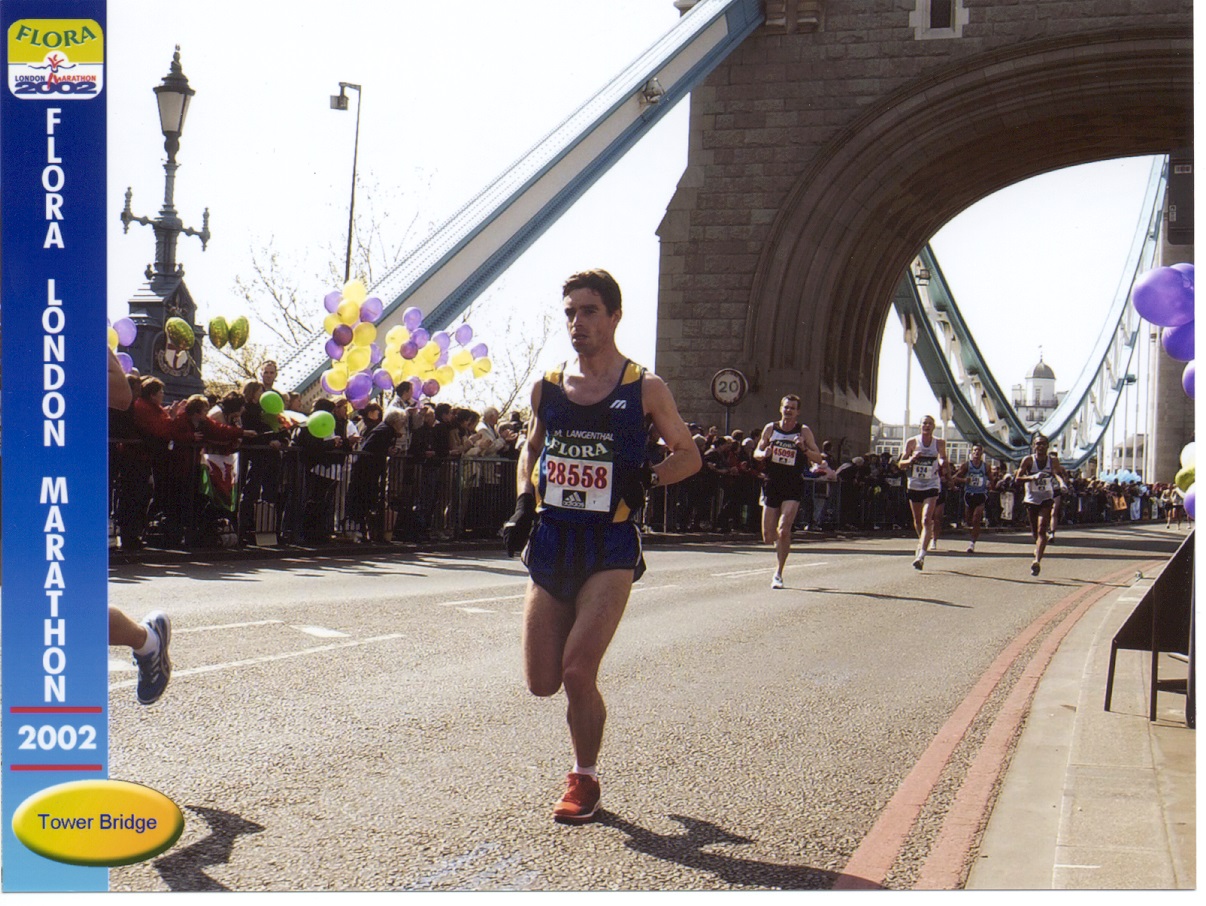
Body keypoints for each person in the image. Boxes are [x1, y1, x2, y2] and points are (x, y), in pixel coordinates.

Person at [501, 268, 700, 825]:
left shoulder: (644, 387)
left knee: (577, 670)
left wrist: (651, 478)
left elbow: (690, 455)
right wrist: (523, 502)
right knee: (542, 682)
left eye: (589, 311)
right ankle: (583, 754)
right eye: (569, 313)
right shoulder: (547, 386)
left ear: (614, 316)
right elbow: (530, 449)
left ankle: (583, 778)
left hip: (609, 544)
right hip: (552, 540)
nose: (577, 323)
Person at [106, 347, 171, 704]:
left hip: (42, 483)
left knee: (56, 611)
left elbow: (119, 394)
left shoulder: (57, 315)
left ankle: (146, 639)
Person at [753, 394, 824, 588]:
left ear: (798, 412)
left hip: (793, 484)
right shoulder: (771, 428)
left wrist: (803, 449)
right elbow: (757, 452)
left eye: (792, 408)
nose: (789, 411)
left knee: (784, 529)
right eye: (786, 407)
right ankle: (780, 546)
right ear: (781, 408)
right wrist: (763, 454)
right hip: (772, 482)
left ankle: (778, 572)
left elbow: (818, 458)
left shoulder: (803, 431)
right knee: (768, 535)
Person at [1015, 433, 1068, 576]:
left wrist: (1062, 483)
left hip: (1046, 498)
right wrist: (1032, 477)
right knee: (1034, 532)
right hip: (1031, 499)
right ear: (1033, 446)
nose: (1041, 446)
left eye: (1043, 444)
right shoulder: (1028, 460)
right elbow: (1017, 479)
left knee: (1041, 528)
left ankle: (1037, 561)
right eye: (1038, 444)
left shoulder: (1053, 461)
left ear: (1047, 446)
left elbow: (1056, 474)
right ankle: (1038, 548)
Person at [899, 414, 946, 570]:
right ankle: (922, 542)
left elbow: (943, 458)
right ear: (920, 426)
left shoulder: (939, 443)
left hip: (931, 484)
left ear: (934, 427)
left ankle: (921, 556)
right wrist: (911, 459)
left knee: (927, 519)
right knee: (918, 520)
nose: (927, 426)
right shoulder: (912, 442)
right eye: (924, 423)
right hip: (915, 484)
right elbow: (901, 464)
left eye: (930, 424)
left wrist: (942, 462)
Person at [954, 444, 990, 552]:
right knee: (969, 520)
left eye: (979, 450)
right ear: (971, 452)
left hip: (981, 494)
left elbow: (992, 479)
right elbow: (955, 477)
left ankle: (972, 543)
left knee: (976, 519)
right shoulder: (966, 465)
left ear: (982, 453)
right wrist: (964, 480)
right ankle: (971, 533)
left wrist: (989, 484)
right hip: (969, 494)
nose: (977, 452)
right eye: (975, 450)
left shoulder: (985, 466)